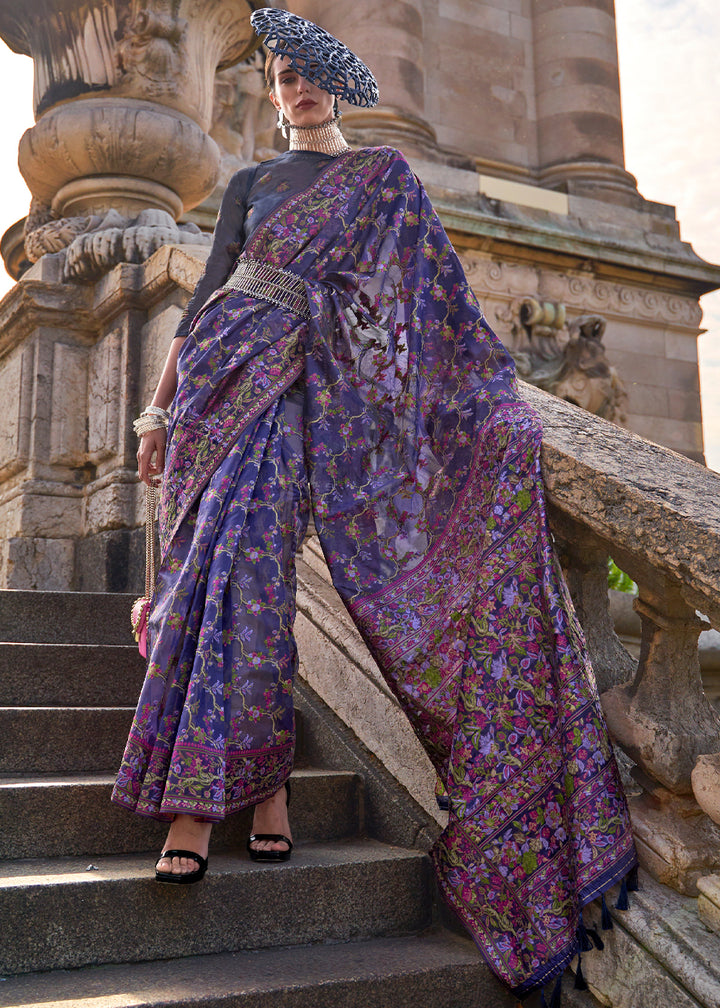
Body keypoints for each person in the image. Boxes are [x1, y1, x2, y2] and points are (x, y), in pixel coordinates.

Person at [112, 8, 637, 1001]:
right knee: (200, 592)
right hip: (214, 396)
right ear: (269, 90)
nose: (294, 88)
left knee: (252, 593)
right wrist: (154, 410)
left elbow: (428, 305)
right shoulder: (251, 185)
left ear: (336, 83)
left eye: (309, 73)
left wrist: (491, 403)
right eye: (280, 76)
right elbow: (210, 293)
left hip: (301, 409)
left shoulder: (383, 183)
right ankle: (261, 791)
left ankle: (201, 809)